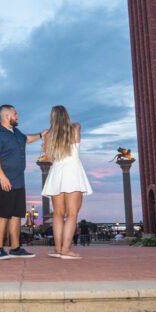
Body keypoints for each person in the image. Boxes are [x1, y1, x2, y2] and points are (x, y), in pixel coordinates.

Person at [0, 104, 45, 260]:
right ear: (7, 116)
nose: (18, 116)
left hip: (19, 183)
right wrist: (2, 177)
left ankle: (15, 248)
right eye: (15, 114)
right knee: (4, 215)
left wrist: (42, 134)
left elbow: (28, 139)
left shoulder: (16, 133)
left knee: (16, 215)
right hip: (3, 182)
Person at [41, 105, 92, 259]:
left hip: (56, 173)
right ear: (66, 115)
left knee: (57, 214)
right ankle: (65, 250)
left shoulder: (48, 135)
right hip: (72, 173)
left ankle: (58, 249)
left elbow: (50, 159)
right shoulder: (75, 128)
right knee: (72, 214)